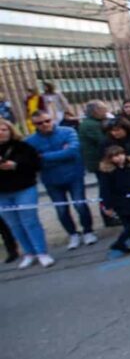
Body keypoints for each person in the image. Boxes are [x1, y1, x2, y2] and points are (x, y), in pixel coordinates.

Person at [26, 110, 97, 249]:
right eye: (39, 123)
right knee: (61, 209)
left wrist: (43, 156)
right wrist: (61, 153)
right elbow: (33, 161)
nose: (44, 124)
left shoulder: (68, 131)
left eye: (47, 121)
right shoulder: (30, 141)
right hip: (51, 179)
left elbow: (72, 151)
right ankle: (73, 234)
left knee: (80, 205)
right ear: (34, 125)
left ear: (52, 119)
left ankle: (88, 231)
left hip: (74, 175)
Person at [0, 118, 53, 268]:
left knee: (30, 221)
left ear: (10, 130)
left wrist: (15, 165)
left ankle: (41, 252)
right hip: (2, 193)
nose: (1, 133)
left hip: (24, 188)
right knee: (14, 224)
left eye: (4, 129)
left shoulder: (23, 146)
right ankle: (29, 253)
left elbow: (36, 165)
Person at [98, 146, 130, 255]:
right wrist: (107, 206)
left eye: (120, 154)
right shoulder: (107, 172)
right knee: (128, 223)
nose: (119, 157)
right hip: (119, 201)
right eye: (115, 156)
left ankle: (119, 243)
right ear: (110, 159)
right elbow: (105, 189)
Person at [78, 100, 109, 174]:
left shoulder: (95, 122)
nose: (106, 111)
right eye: (104, 109)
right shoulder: (90, 125)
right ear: (96, 111)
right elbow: (104, 141)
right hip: (99, 161)